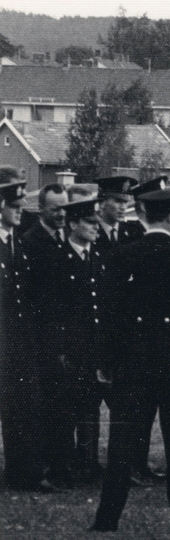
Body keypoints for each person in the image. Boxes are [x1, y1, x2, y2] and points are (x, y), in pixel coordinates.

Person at [92, 187, 170, 534]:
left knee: (122, 444)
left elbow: (108, 316)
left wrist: (107, 362)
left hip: (134, 364)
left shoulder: (121, 256)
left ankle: (107, 518)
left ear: (143, 216)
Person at [32, 197, 108, 486]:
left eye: (95, 223)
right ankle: (60, 468)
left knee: (90, 406)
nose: (94, 228)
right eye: (89, 223)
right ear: (73, 224)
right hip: (69, 349)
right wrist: (59, 349)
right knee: (63, 411)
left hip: (93, 347)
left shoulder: (97, 258)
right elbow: (50, 309)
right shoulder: (58, 258)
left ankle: (87, 464)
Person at [0, 179, 49, 492]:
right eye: (14, 207)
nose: (20, 212)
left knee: (23, 408)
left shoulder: (16, 240)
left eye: (21, 207)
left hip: (19, 340)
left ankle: (22, 473)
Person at [94, 175, 145, 250]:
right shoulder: (91, 231)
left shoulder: (134, 232)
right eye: (118, 201)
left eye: (125, 202)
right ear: (102, 203)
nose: (123, 207)